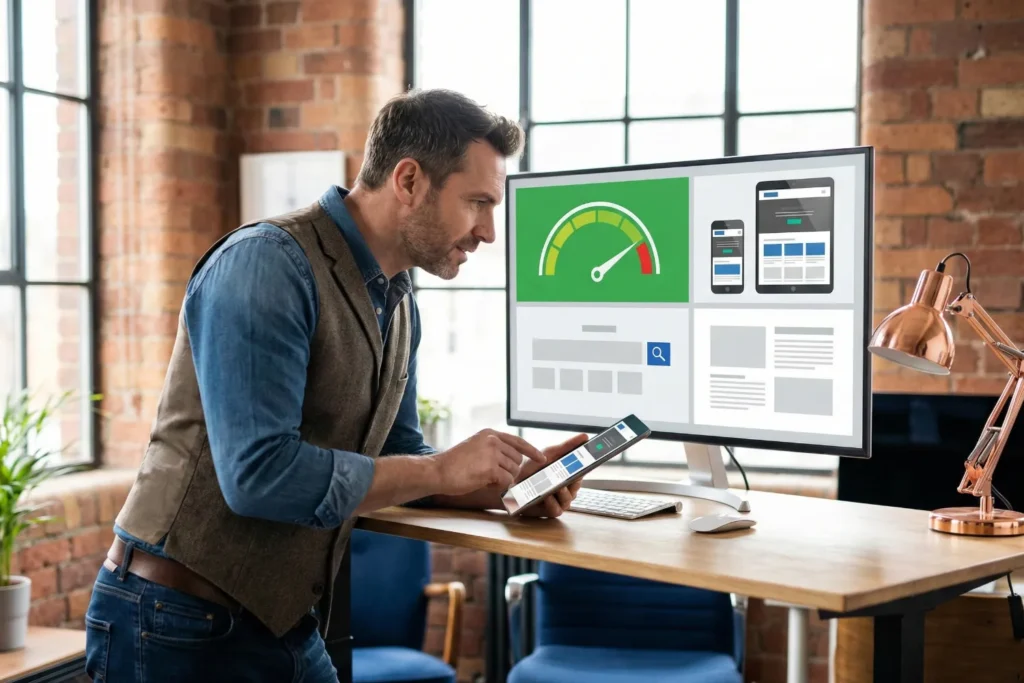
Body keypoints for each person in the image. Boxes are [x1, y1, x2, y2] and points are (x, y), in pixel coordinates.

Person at [83, 88, 587, 683]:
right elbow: (259, 476)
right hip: (173, 624)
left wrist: (502, 486)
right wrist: (439, 471)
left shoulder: (400, 308)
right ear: (408, 180)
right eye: (477, 202)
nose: (489, 232)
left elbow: (401, 461)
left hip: (284, 623)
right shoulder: (267, 264)